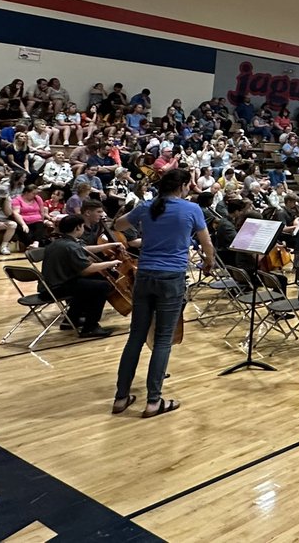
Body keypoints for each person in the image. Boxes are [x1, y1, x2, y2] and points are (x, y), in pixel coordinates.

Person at [111, 169, 214, 418]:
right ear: (182, 186)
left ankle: (121, 397)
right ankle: (153, 401)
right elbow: (207, 243)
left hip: (145, 274)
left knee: (135, 337)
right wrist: (209, 262)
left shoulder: (147, 206)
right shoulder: (192, 209)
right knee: (163, 340)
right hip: (171, 277)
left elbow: (118, 225)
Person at [39, 215, 124, 338]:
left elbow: (84, 249)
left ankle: (71, 319)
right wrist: (111, 263)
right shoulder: (70, 246)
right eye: (82, 226)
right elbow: (86, 269)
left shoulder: (60, 242)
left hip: (49, 286)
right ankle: (90, 327)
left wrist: (110, 245)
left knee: (92, 282)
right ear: (77, 228)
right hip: (56, 288)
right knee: (102, 286)